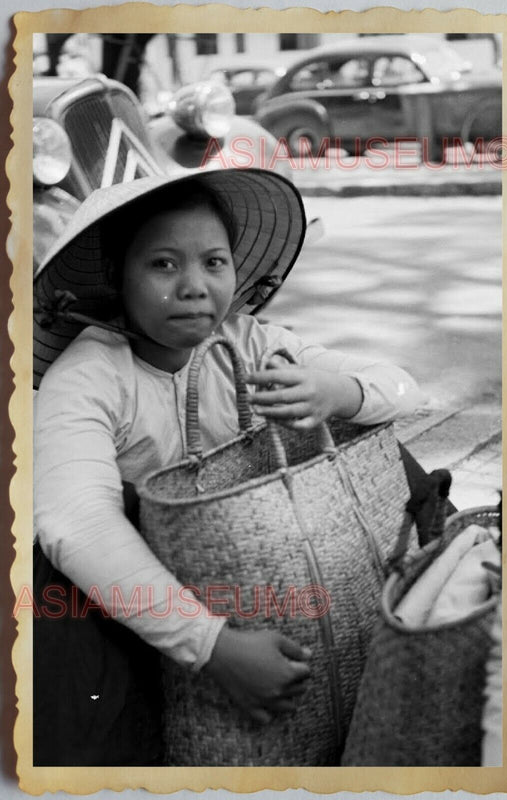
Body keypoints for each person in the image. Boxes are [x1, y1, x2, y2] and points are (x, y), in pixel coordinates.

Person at [33, 168, 422, 766]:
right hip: (137, 598)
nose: (194, 286)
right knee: (48, 586)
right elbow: (77, 523)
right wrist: (214, 647)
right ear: (117, 277)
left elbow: (402, 387)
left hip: (256, 567)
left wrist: (336, 391)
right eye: (164, 265)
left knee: (392, 452)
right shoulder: (89, 378)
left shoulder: (253, 343)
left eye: (214, 263)